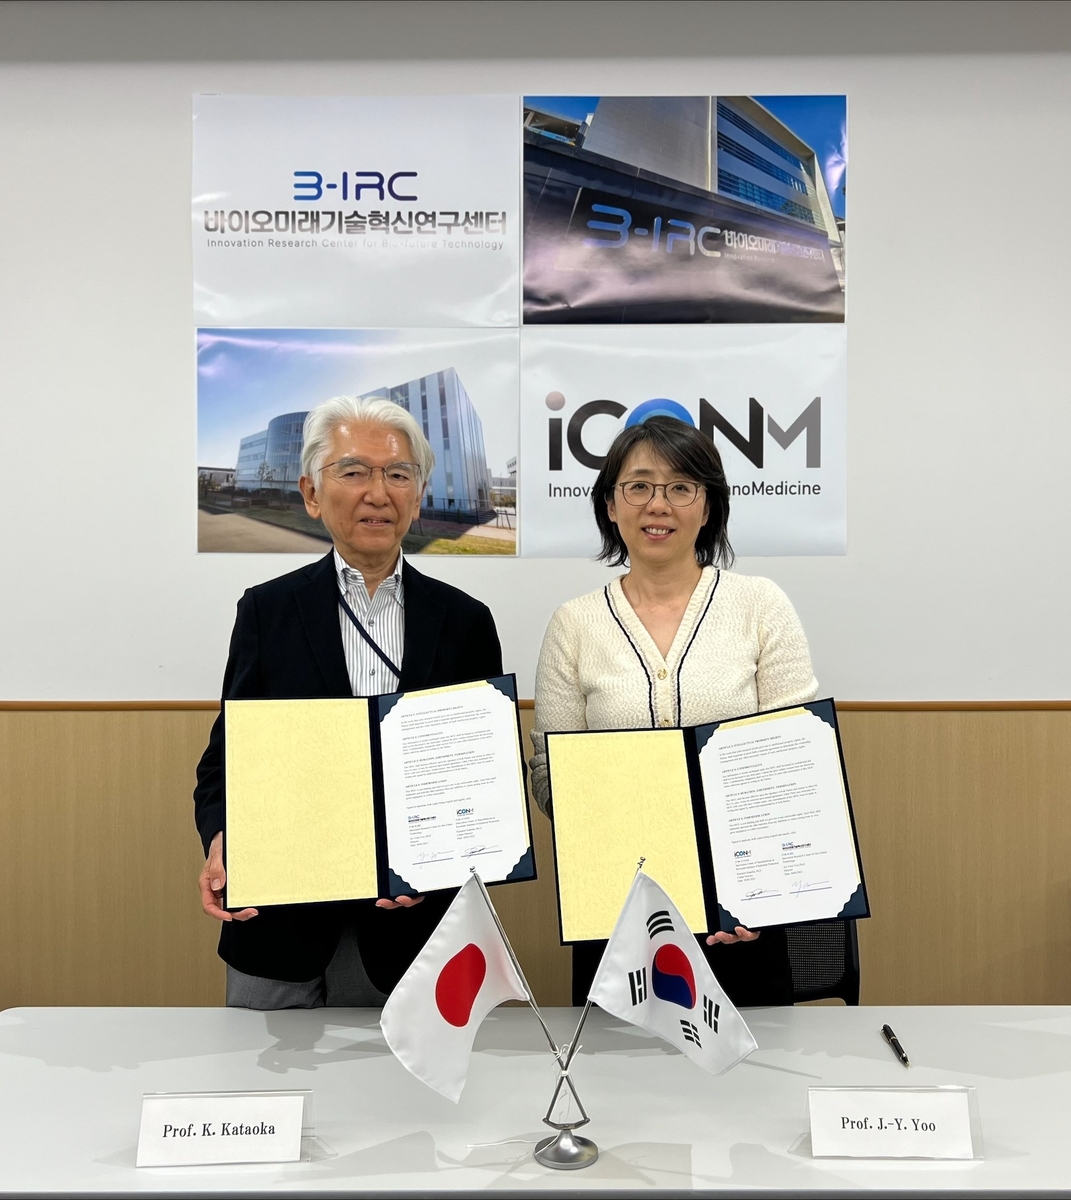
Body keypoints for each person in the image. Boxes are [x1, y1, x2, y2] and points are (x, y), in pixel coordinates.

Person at [194, 395, 502, 1009]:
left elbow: (484, 777)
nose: (378, 493)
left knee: (403, 1076)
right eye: (354, 471)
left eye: (398, 474)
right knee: (259, 1072)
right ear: (312, 493)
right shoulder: (267, 612)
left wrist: (443, 860)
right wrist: (221, 836)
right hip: (279, 921)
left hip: (415, 936)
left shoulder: (465, 622)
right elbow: (224, 763)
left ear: (418, 495)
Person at [530, 416, 818, 1007]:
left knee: (754, 1062)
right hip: (618, 912)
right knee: (620, 1065)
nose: (658, 504)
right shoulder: (574, 624)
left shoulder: (760, 604)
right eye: (638, 485)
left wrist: (752, 888)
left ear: (708, 506)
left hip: (742, 909)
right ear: (611, 505)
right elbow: (550, 776)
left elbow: (794, 763)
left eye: (681, 487)